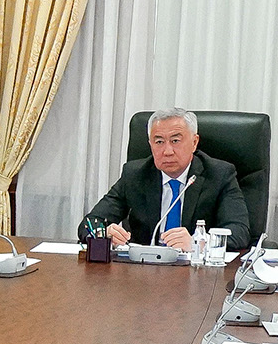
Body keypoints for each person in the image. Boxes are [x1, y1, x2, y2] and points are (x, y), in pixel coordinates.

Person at [79, 107, 253, 251]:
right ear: (150, 144)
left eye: (175, 141)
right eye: (159, 142)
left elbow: (239, 232)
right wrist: (104, 234)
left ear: (194, 142)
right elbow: (89, 224)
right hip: (143, 272)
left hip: (196, 273)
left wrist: (198, 243)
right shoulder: (135, 174)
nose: (167, 151)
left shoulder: (219, 175)